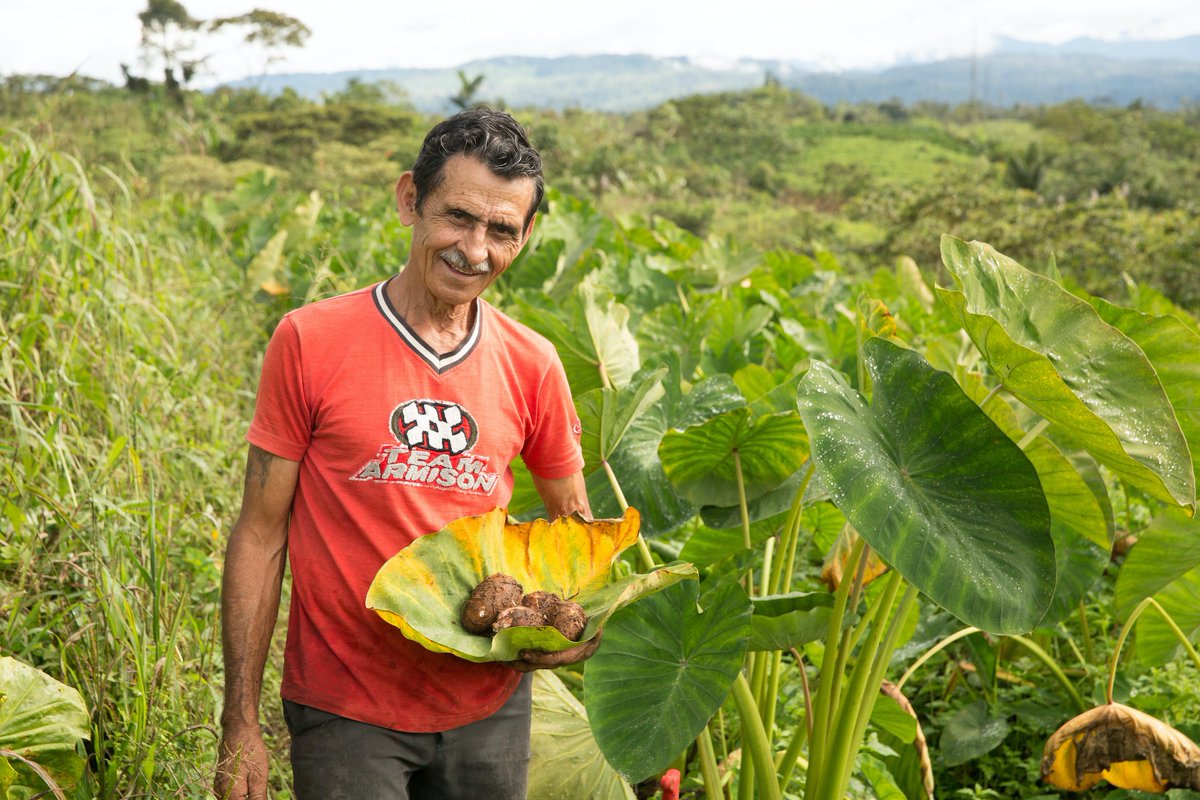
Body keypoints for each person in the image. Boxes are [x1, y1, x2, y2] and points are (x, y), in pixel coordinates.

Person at [214, 108, 595, 800]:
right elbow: (261, 535)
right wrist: (239, 720)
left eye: (501, 230)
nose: (474, 249)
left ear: (525, 235)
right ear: (408, 200)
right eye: (456, 217)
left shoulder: (533, 364)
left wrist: (568, 621)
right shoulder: (310, 341)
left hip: (489, 707)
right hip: (346, 708)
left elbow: (575, 529)